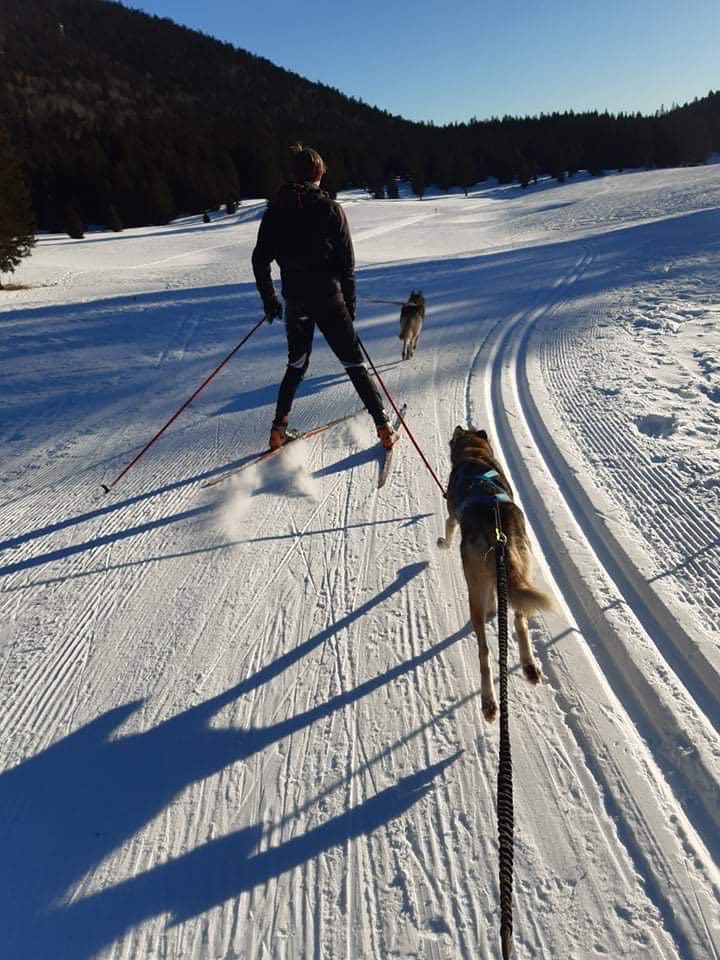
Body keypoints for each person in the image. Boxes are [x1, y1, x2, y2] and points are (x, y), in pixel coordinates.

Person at [252, 144, 398, 451]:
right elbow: (347, 265)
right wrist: (350, 305)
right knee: (354, 363)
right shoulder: (330, 209)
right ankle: (384, 426)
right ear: (320, 173)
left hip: (296, 301)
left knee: (296, 364)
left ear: (294, 174)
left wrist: (270, 300)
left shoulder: (275, 211)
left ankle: (278, 429)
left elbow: (259, 260)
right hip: (329, 300)